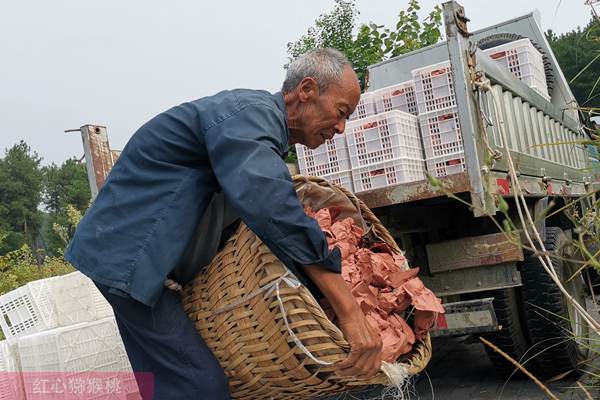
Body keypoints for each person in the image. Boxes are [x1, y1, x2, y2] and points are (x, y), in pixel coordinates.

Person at [65, 48, 383, 399]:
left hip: (125, 253)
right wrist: (349, 310)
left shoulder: (259, 126)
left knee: (171, 382)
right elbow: (272, 207)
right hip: (127, 255)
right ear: (306, 90)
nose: (340, 127)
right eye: (341, 113)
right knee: (200, 385)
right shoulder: (252, 117)